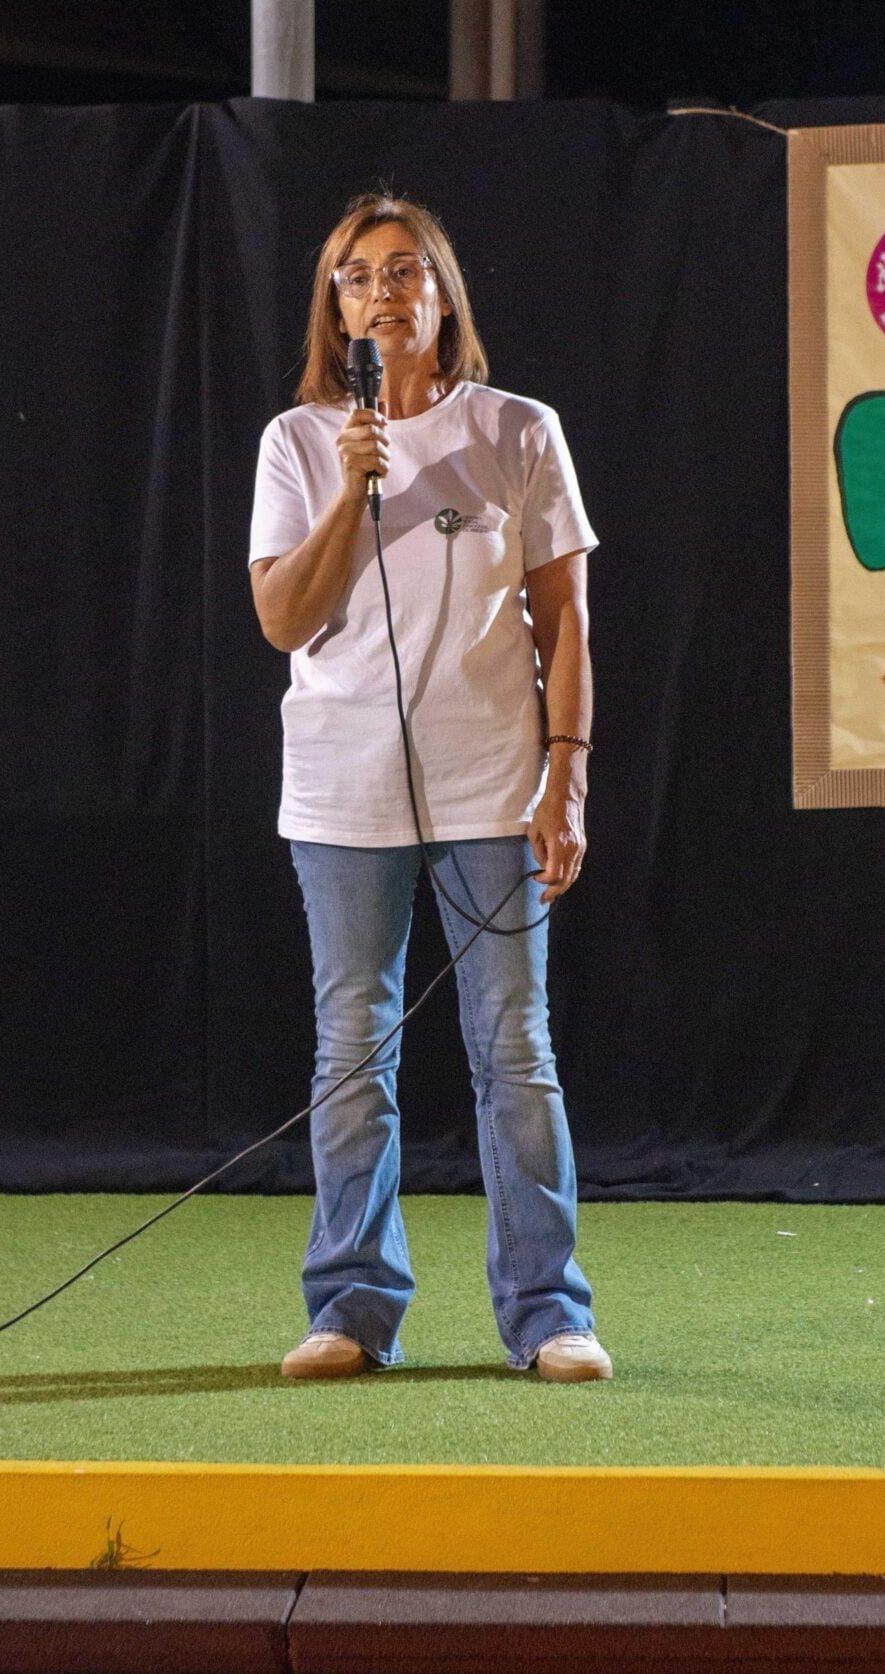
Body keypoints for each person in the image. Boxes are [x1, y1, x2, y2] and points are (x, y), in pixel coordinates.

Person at [247, 190, 610, 1386]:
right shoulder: (299, 443)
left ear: (444, 295)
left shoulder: (518, 429)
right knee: (352, 1051)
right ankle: (351, 1308)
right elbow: (282, 618)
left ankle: (548, 1313)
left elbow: (567, 619)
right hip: (342, 793)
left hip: (494, 788)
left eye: (406, 270)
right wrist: (351, 491)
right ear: (334, 307)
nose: (383, 292)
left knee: (517, 1051)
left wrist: (566, 776)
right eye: (358, 276)